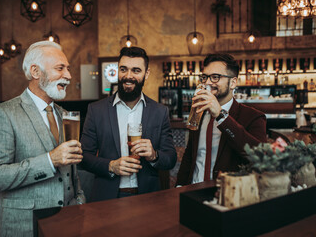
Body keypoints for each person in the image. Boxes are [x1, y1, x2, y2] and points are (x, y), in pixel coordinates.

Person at [0, 41, 85, 236]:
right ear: (35, 72)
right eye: (60, 68)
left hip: (69, 224)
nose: (69, 76)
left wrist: (79, 202)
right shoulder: (3, 114)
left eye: (68, 69)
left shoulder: (65, 115)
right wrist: (50, 160)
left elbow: (72, 172)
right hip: (23, 227)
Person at [80, 47, 177, 202]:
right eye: (123, 69)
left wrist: (154, 155)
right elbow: (83, 157)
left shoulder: (160, 112)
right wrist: (111, 166)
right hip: (107, 198)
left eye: (136, 70)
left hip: (148, 198)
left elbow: (170, 159)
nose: (128, 76)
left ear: (147, 74)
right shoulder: (96, 110)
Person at [176, 53, 267, 186]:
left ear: (233, 82)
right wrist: (179, 186)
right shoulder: (199, 112)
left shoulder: (253, 116)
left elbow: (260, 157)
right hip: (193, 189)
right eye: (205, 77)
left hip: (227, 194)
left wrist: (221, 115)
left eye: (215, 77)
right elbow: (191, 154)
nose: (207, 82)